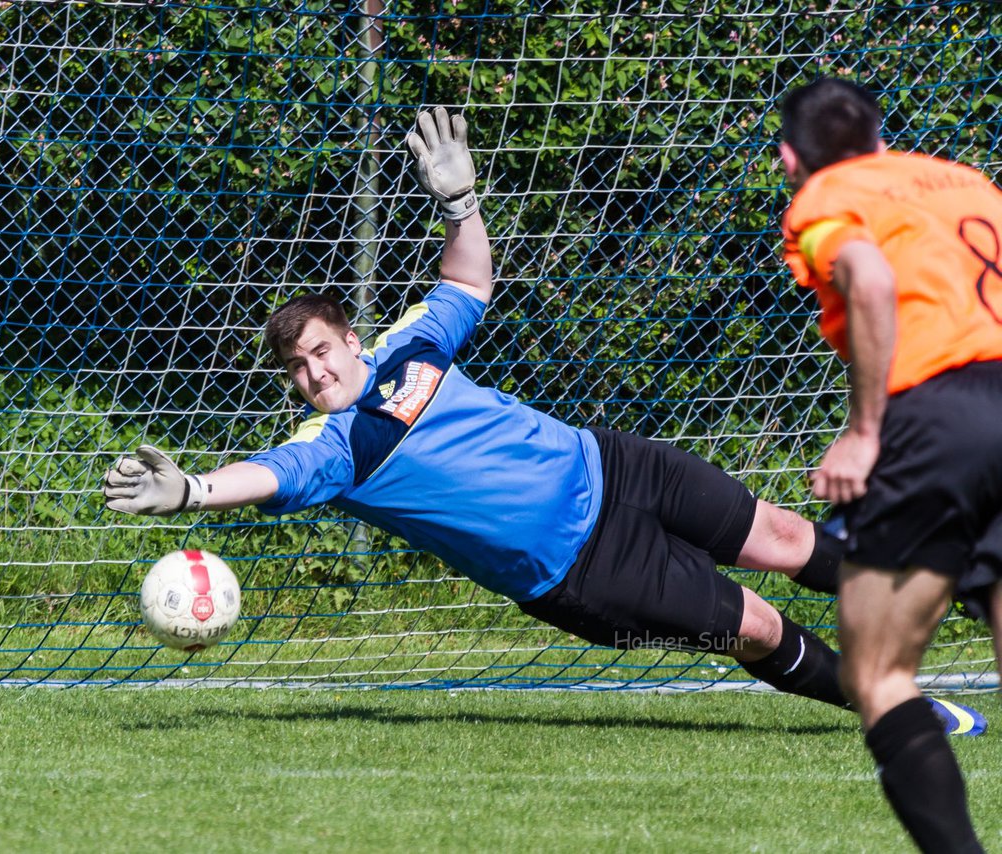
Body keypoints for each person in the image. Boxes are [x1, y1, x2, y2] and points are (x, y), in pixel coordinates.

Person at [104, 106, 980, 734]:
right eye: (297, 368)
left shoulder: (410, 349)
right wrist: (191, 492)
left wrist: (460, 205)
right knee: (751, 624)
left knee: (787, 536)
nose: (314, 372)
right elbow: (267, 478)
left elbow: (466, 285)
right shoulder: (336, 448)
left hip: (614, 465)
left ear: (353, 341)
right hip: (582, 568)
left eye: (323, 351)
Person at [778, 77, 1000, 852]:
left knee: (875, 674)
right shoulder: (967, 183)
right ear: (880, 138)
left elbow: (869, 278)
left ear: (788, 159)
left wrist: (865, 432)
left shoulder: (825, 198)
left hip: (940, 413)